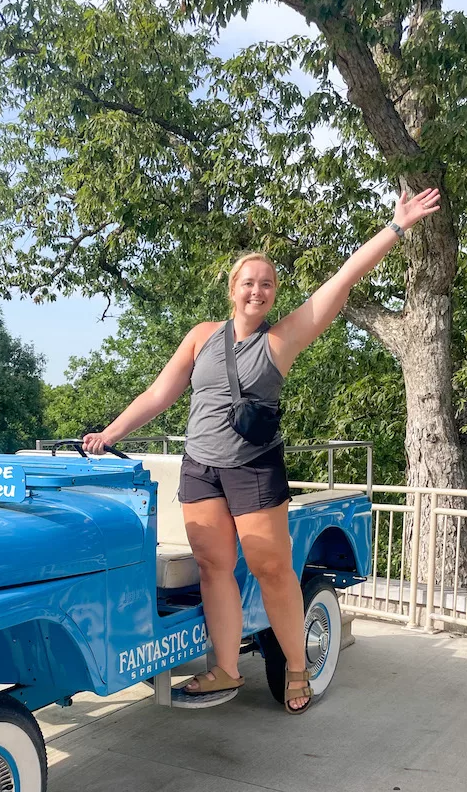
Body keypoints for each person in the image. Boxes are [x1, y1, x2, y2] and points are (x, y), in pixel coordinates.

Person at [83, 188, 440, 712]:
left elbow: (340, 282)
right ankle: (225, 669)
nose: (258, 290)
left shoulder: (281, 340)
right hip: (201, 468)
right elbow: (160, 393)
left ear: (274, 294)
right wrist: (110, 433)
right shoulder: (201, 336)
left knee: (272, 568)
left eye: (267, 284)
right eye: (249, 282)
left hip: (253, 469)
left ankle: (297, 667)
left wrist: (396, 227)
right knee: (213, 567)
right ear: (233, 289)